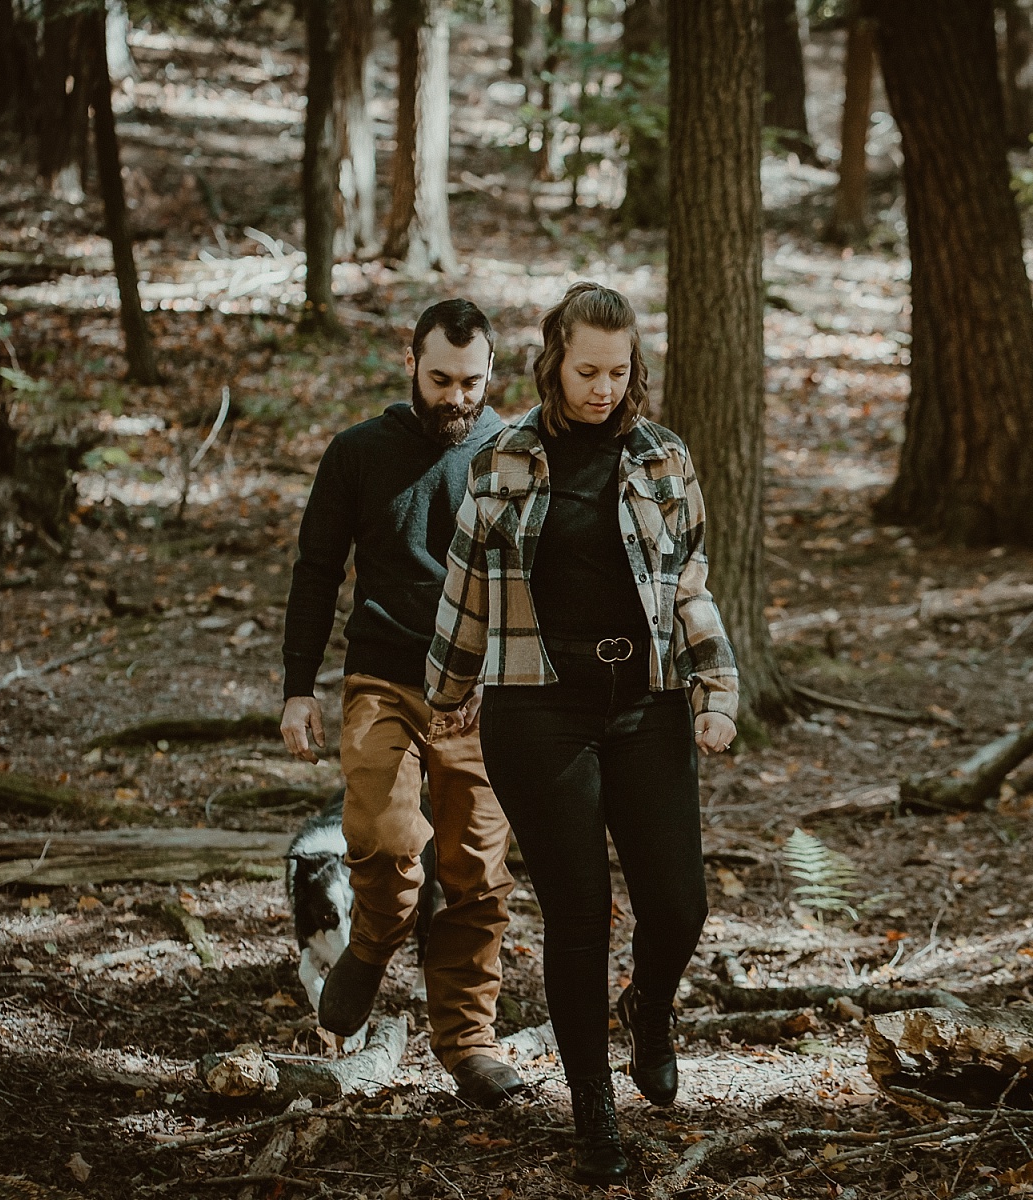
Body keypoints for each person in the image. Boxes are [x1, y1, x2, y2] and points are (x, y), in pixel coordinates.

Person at [427, 282, 739, 1183]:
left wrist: (715, 687)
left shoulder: (663, 458)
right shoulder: (505, 457)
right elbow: (467, 581)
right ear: (554, 363)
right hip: (538, 708)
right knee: (578, 914)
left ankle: (650, 1006)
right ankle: (593, 1112)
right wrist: (445, 690)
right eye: (588, 371)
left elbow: (689, 583)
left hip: (646, 703)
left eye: (619, 371)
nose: (605, 389)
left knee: (678, 905)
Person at [278, 298, 525, 1109]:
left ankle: (469, 1040)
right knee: (384, 838)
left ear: (492, 373)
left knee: (477, 873)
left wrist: (505, 680)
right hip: (383, 680)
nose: (456, 397)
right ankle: (375, 940)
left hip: (479, 693)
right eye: (441, 379)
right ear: (410, 362)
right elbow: (317, 570)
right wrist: (297, 687)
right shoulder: (358, 453)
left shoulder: (514, 456)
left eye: (472, 383)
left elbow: (536, 582)